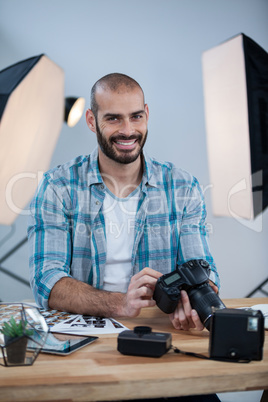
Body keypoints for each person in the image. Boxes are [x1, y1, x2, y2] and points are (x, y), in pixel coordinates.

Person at [28, 73, 220, 332]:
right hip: (83, 331)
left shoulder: (184, 187)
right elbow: (46, 280)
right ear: (91, 121)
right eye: (113, 118)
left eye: (136, 116)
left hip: (159, 328)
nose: (128, 130)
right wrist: (120, 304)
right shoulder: (57, 186)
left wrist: (194, 302)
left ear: (147, 114)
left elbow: (202, 269)